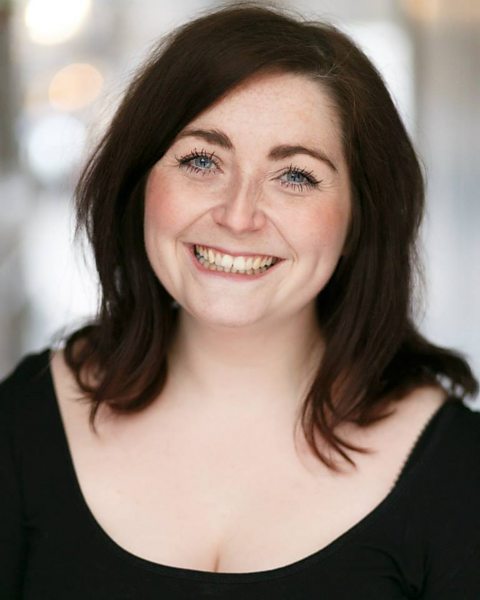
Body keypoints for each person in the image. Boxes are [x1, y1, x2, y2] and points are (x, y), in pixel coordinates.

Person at [1, 3, 479, 598]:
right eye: (202, 160)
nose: (238, 215)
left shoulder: (460, 472)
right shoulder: (24, 421)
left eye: (296, 175)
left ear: (359, 218)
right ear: (139, 182)